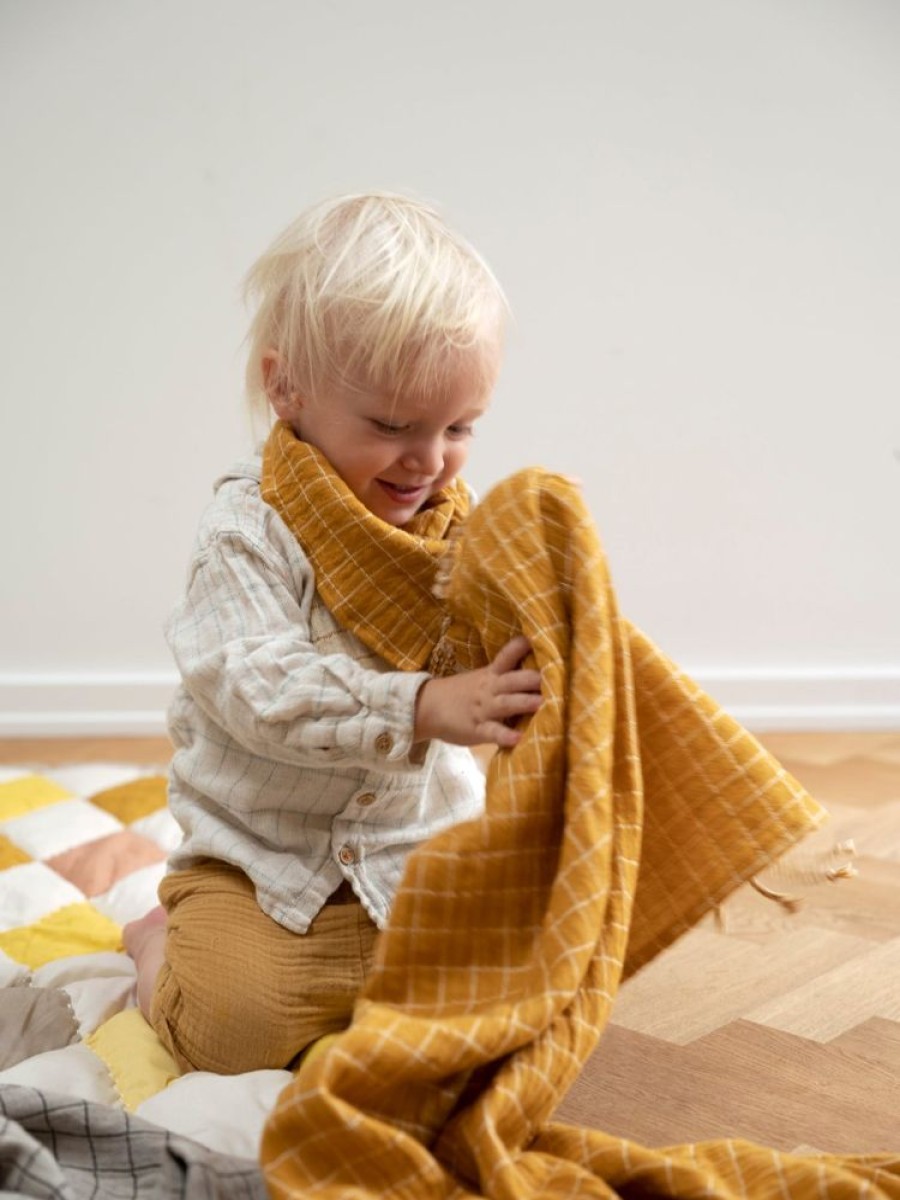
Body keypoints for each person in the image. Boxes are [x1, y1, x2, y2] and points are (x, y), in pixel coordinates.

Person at [124, 192, 543, 1075]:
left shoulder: (458, 537)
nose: (428, 460)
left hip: (414, 854)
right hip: (263, 867)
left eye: (459, 427)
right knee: (230, 1034)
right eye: (392, 426)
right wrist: (423, 704)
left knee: (515, 1007)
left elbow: (506, 648)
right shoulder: (245, 531)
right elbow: (260, 689)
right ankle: (157, 950)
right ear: (288, 389)